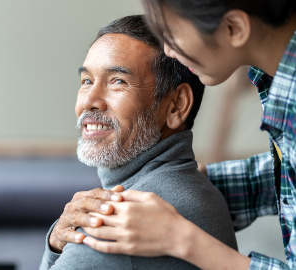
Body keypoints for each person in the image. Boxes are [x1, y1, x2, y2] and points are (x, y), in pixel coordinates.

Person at [48, 1, 296, 269]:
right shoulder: (274, 80)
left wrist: (182, 238)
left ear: (234, 28)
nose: (169, 50)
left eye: (173, 33)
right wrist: (190, 188)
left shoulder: (107, 232)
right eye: (86, 81)